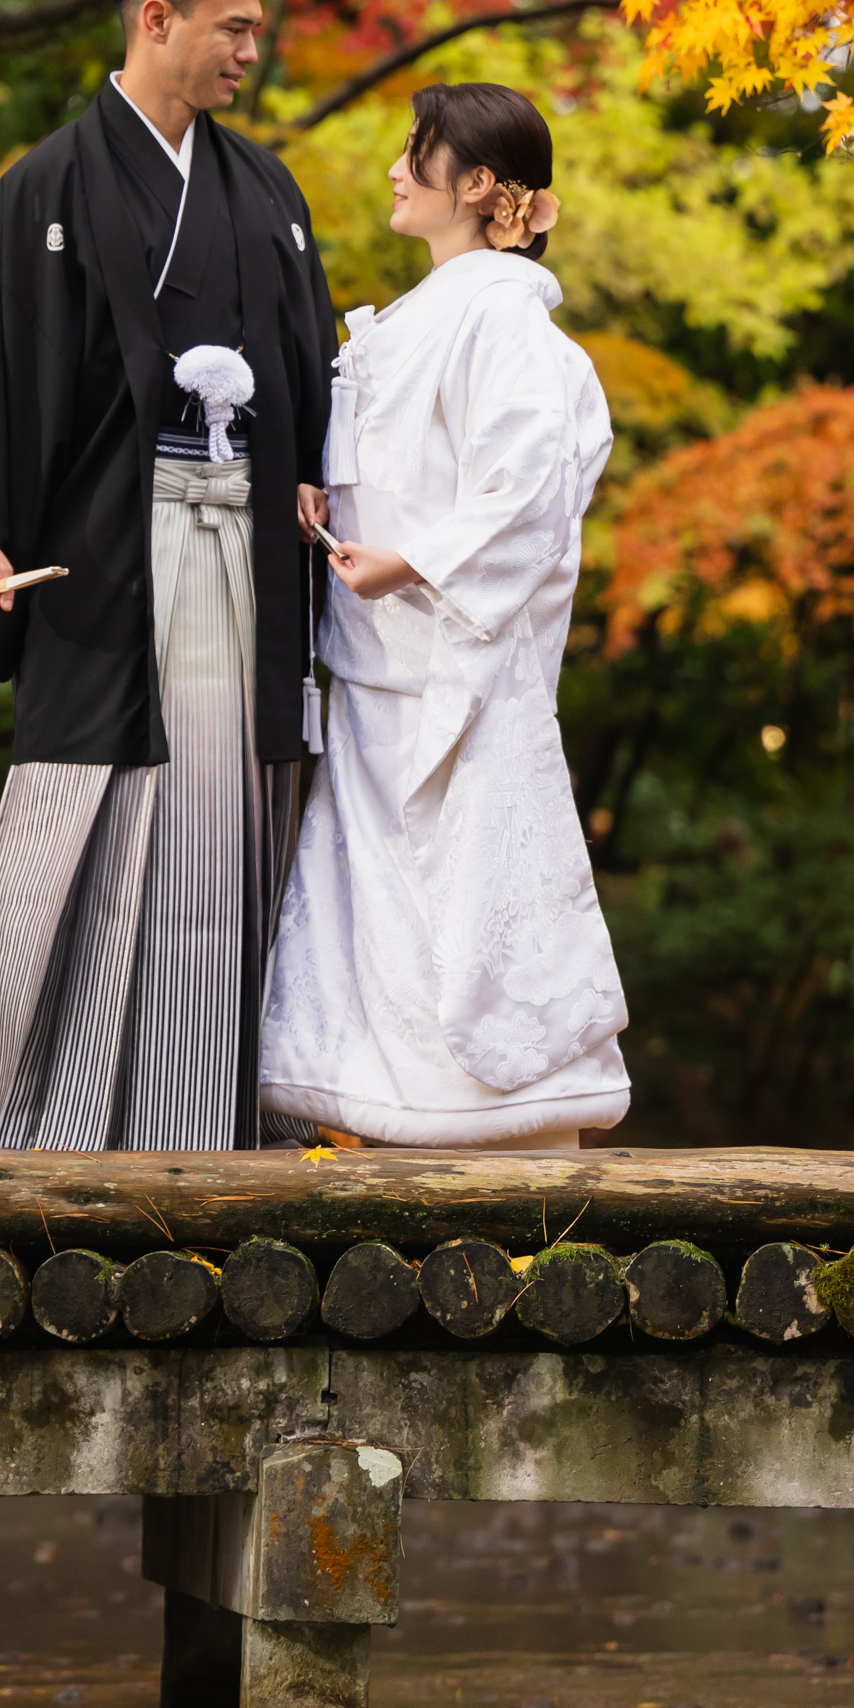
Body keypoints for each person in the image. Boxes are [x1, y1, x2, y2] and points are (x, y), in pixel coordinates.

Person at [0, 0, 339, 1149]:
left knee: (229, 815)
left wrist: (326, 484)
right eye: (233, 26)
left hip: (247, 552)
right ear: (157, 20)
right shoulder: (48, 188)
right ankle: (54, 1122)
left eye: (254, 27)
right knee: (90, 815)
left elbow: (313, 369)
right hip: (108, 558)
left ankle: (217, 1125)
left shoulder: (265, 192)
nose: (253, 48)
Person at [259, 83, 630, 1148]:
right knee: (377, 891)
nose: (393, 171)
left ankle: (502, 1116)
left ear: (475, 185)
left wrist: (414, 557)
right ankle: (395, 1110)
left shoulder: (503, 318)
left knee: (470, 887)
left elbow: (528, 484)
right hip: (386, 657)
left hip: (452, 658)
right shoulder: (432, 313)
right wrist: (322, 491)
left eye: (413, 153)